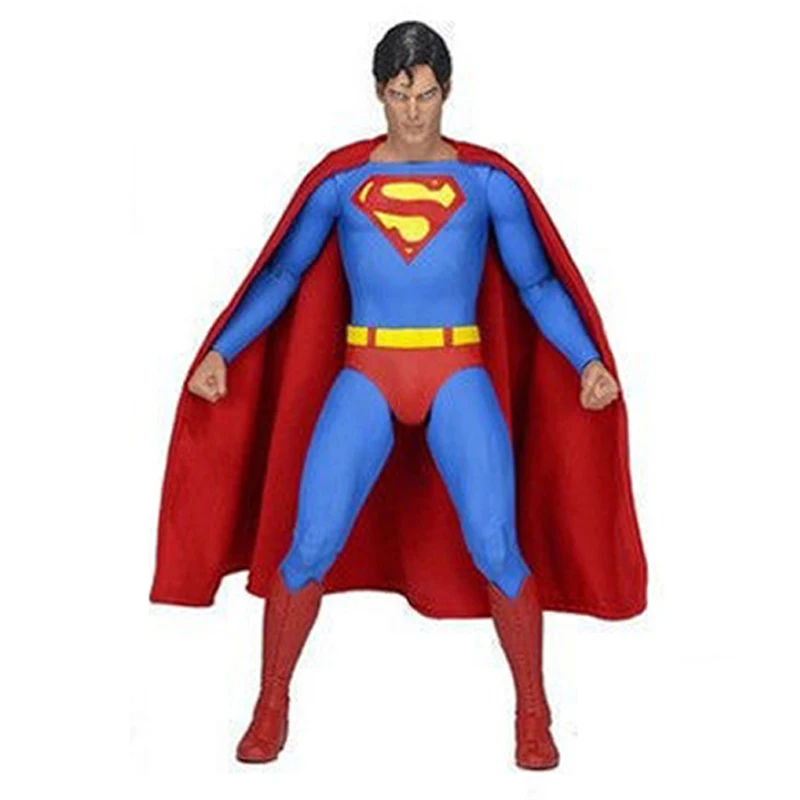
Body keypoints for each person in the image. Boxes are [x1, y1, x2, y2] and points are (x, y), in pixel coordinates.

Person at [152, 21, 646, 770]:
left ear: (447, 92)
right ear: (378, 93)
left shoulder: (487, 184)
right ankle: (270, 703)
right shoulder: (341, 183)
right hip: (368, 371)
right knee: (310, 541)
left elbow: (538, 282)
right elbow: (284, 273)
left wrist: (586, 360)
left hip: (456, 371)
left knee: (496, 543)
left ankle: (533, 712)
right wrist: (225, 348)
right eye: (398, 94)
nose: (413, 111)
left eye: (426, 94)